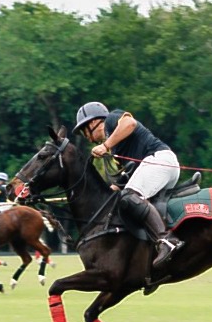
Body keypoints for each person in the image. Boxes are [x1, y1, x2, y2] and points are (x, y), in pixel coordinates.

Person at [73, 101, 183, 267]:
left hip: (159, 160)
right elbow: (125, 181)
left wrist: (105, 145)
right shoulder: (117, 150)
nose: (85, 136)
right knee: (127, 202)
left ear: (94, 122)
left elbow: (130, 123)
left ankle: (167, 241)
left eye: (84, 130)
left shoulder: (111, 119)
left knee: (130, 196)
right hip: (160, 168)